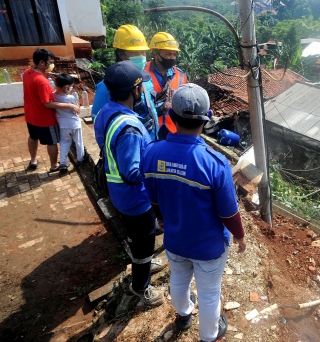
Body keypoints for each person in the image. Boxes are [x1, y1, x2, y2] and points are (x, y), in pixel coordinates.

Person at [142, 83, 247, 342]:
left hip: (176, 240)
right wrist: (240, 236)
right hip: (208, 247)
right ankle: (209, 335)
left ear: (172, 117)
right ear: (206, 118)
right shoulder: (215, 163)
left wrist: (165, 221)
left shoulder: (152, 153)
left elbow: (153, 200)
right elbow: (228, 213)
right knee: (209, 292)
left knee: (179, 279)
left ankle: (184, 314)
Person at [94, 61, 165, 306]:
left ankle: (144, 261)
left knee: (142, 238)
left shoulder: (107, 111)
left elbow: (103, 143)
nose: (143, 90)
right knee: (143, 241)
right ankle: (140, 287)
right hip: (134, 199)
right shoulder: (131, 129)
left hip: (118, 193)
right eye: (141, 86)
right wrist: (156, 162)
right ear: (135, 90)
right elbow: (133, 173)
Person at [92, 24, 159, 140]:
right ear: (121, 54)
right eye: (136, 53)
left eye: (143, 52)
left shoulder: (146, 79)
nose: (142, 57)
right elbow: (99, 122)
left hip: (150, 145)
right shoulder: (108, 85)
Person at [23, 49, 80, 172]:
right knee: (52, 142)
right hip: (44, 119)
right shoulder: (42, 81)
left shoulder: (27, 73)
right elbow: (48, 104)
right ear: (42, 62)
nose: (52, 65)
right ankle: (54, 165)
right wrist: (70, 106)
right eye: (50, 62)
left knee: (33, 137)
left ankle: (33, 160)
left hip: (30, 115)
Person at [145, 32, 188, 139]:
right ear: (155, 53)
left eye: (174, 54)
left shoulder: (181, 75)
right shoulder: (143, 72)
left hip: (173, 131)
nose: (172, 58)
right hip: (150, 130)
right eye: (168, 54)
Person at [53, 73, 85, 173]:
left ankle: (62, 162)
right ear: (67, 86)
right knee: (79, 142)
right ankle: (80, 159)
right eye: (70, 86)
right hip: (74, 124)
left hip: (63, 125)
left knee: (64, 142)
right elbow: (77, 110)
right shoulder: (71, 98)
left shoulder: (53, 97)